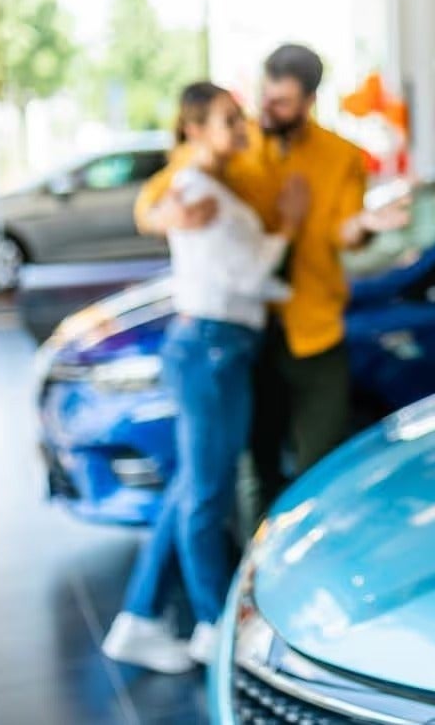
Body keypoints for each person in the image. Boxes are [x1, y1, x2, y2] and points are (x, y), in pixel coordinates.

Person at [135, 45, 407, 521]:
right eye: (266, 95)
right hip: (251, 334)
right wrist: (163, 216)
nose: (267, 109)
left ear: (309, 100)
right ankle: (255, 577)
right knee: (256, 470)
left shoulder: (340, 156)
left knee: (318, 466)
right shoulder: (237, 142)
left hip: (315, 330)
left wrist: (364, 223)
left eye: (281, 101)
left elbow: (342, 230)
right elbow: (157, 196)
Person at [103, 82, 308, 673]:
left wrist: (285, 288)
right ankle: (215, 630)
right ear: (192, 128)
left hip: (219, 344)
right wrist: (289, 229)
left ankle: (139, 619)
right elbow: (243, 275)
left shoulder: (210, 185)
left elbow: (235, 274)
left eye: (240, 118)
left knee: (190, 489)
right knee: (206, 497)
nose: (240, 128)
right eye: (226, 120)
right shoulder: (197, 190)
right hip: (214, 348)